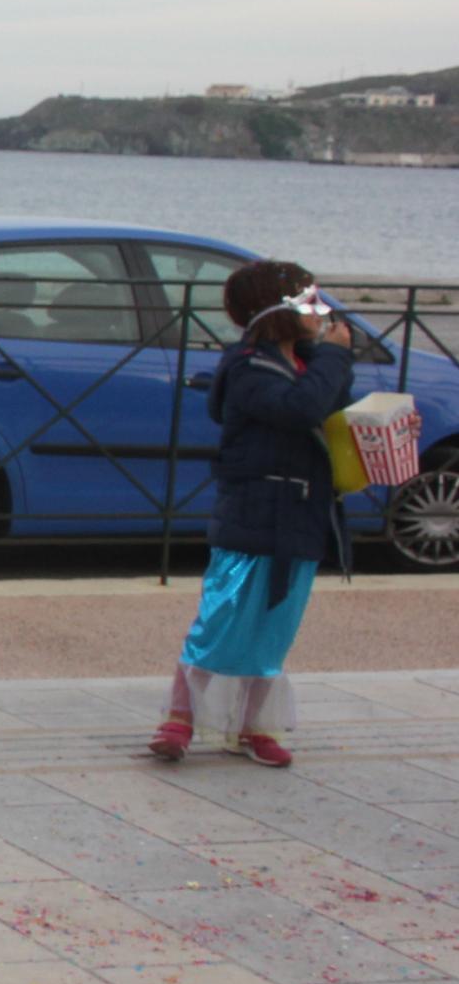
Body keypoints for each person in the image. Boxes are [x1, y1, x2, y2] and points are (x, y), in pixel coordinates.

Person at [150, 261, 357, 768]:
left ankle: (255, 726)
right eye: (310, 303)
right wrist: (334, 355)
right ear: (277, 312)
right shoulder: (248, 368)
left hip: (302, 514)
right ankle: (179, 718)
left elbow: (327, 412)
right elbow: (299, 409)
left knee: (274, 628)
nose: (321, 313)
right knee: (221, 617)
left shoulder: (308, 365)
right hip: (251, 514)